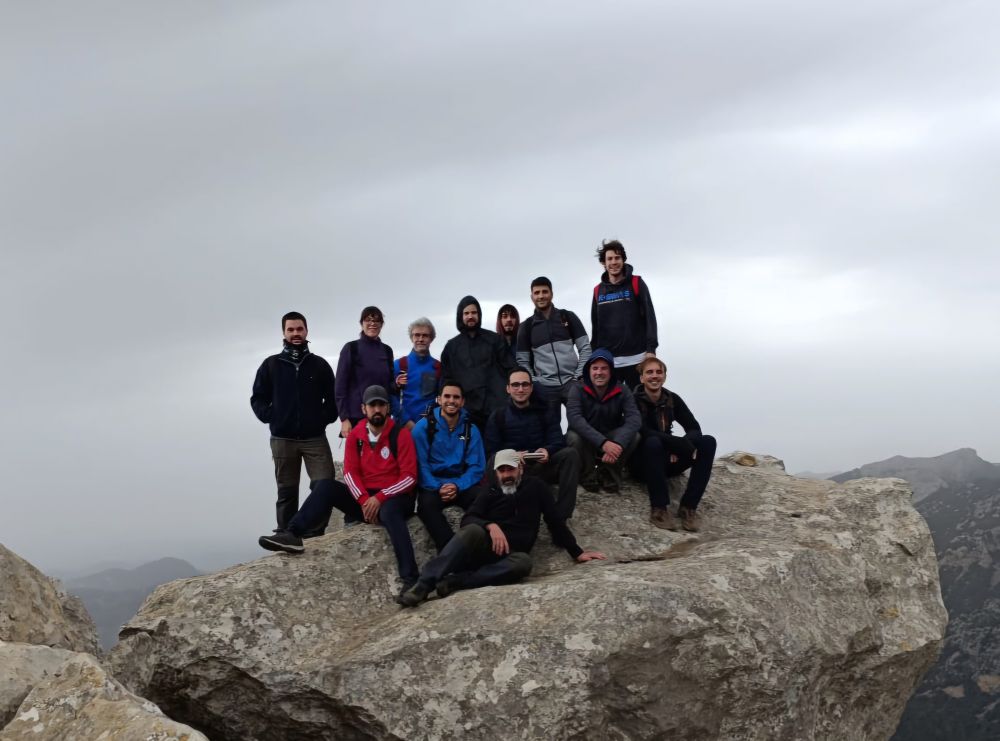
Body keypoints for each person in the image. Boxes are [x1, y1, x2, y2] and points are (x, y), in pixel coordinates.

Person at [258, 385, 420, 599]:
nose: (377, 409)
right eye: (373, 405)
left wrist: (379, 498)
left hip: (395, 497)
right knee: (325, 486)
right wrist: (364, 500)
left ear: (388, 407)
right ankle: (293, 534)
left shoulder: (400, 435)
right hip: (366, 499)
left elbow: (409, 477)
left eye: (381, 404)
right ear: (364, 409)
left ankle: (411, 580)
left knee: (390, 512)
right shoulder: (356, 436)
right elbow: (350, 473)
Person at [398, 450, 605, 606]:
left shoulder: (537, 488)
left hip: (511, 555)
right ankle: (423, 585)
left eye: (510, 469)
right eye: (502, 470)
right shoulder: (490, 491)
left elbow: (554, 521)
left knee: (524, 563)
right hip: (484, 548)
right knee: (472, 530)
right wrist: (490, 525)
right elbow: (469, 518)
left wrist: (577, 552)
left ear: (520, 469)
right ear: (496, 473)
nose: (506, 475)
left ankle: (456, 582)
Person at [251, 311, 337, 532]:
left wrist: (322, 419)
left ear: (306, 331)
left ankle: (315, 535)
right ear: (283, 333)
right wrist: (272, 417)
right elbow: (258, 398)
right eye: (291, 330)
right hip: (282, 438)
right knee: (287, 491)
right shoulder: (271, 365)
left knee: (323, 485)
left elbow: (334, 397)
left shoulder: (319, 365)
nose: (295, 334)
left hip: (314, 438)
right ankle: (285, 535)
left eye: (299, 329)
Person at [631, 357, 717, 532]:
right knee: (652, 442)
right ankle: (659, 509)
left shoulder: (671, 399)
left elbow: (693, 427)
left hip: (667, 459)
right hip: (642, 463)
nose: (654, 376)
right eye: (649, 372)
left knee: (708, 442)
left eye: (659, 372)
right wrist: (677, 445)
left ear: (664, 376)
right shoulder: (632, 401)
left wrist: (686, 445)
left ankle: (688, 507)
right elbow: (643, 431)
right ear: (641, 378)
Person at [484, 367, 581, 520]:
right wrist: (512, 456)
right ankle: (497, 506)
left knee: (570, 454)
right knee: (492, 461)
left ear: (531, 387)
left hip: (541, 465)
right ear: (508, 388)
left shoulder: (545, 411)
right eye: (515, 385)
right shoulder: (498, 416)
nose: (520, 389)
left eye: (525, 384)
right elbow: (491, 451)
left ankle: (560, 517)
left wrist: (547, 450)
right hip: (512, 469)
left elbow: (558, 440)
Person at [412, 381, 486, 551]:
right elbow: (420, 466)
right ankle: (451, 551)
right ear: (439, 399)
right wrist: (439, 487)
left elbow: (476, 467)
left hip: (460, 483)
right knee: (426, 507)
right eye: (447, 396)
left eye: (456, 397)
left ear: (462, 402)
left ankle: (482, 547)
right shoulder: (423, 428)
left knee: (483, 498)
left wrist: (457, 485)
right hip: (433, 485)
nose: (451, 401)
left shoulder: (470, 429)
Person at [566, 348, 641, 493]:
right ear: (588, 370)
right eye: (595, 368)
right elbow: (575, 419)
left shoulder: (622, 389)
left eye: (604, 368)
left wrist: (618, 444)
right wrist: (603, 442)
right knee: (573, 437)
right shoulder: (577, 388)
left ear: (611, 371)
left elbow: (634, 419)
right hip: (586, 438)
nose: (599, 372)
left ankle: (609, 473)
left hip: (611, 436)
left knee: (635, 436)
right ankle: (587, 475)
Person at [590, 239, 659, 391]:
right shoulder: (597, 291)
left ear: (623, 260)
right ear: (603, 263)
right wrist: (594, 356)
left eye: (617, 258)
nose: (614, 262)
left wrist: (651, 350)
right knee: (611, 408)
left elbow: (650, 317)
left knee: (640, 406)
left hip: (638, 359)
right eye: (609, 259)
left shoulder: (636, 283)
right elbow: (596, 328)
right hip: (610, 362)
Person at [516, 276, 592, 408]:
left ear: (552, 293)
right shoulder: (526, 326)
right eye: (537, 293)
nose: (541, 296)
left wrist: (578, 376)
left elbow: (585, 348)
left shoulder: (568, 316)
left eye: (544, 292)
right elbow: (522, 361)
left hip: (572, 383)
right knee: (551, 427)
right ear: (531, 297)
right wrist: (535, 382)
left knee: (581, 423)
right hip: (545, 387)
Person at [440, 295, 515, 430]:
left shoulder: (495, 340)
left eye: (474, 312)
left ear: (479, 314)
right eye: (466, 313)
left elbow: (510, 370)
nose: (470, 316)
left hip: (495, 408)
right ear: (460, 316)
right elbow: (446, 379)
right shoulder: (451, 347)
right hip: (465, 412)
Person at [335, 306, 394, 439]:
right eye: (368, 320)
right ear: (361, 323)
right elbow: (339, 386)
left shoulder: (387, 350)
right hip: (356, 418)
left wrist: (397, 384)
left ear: (381, 325)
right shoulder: (351, 348)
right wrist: (344, 419)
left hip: (381, 416)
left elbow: (389, 385)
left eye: (377, 320)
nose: (372, 323)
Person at [392, 317, 440, 429]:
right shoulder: (399, 365)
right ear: (411, 338)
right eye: (417, 335)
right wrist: (406, 421)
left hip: (429, 428)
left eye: (425, 335)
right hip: (402, 428)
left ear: (431, 338)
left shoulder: (438, 367)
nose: (420, 339)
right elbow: (390, 397)